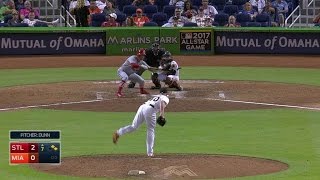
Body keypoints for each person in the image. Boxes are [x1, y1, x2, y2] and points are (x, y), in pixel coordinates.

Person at [113, 88, 170, 157]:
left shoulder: (156, 96)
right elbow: (162, 103)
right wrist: (162, 115)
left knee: (134, 126)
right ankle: (150, 153)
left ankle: (118, 132)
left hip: (143, 107)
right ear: (166, 93)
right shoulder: (165, 98)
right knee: (151, 129)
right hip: (150, 110)